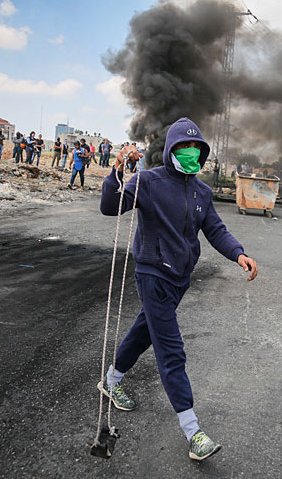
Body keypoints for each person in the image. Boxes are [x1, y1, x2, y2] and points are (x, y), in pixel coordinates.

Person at [99, 117, 258, 462]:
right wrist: (116, 172)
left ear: (202, 153)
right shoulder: (149, 181)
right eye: (183, 147)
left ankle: (111, 381)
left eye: (196, 148)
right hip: (152, 275)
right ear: (171, 149)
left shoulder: (201, 191)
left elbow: (215, 229)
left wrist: (239, 253)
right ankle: (193, 431)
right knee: (171, 350)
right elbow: (110, 207)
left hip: (179, 280)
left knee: (145, 331)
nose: (190, 153)